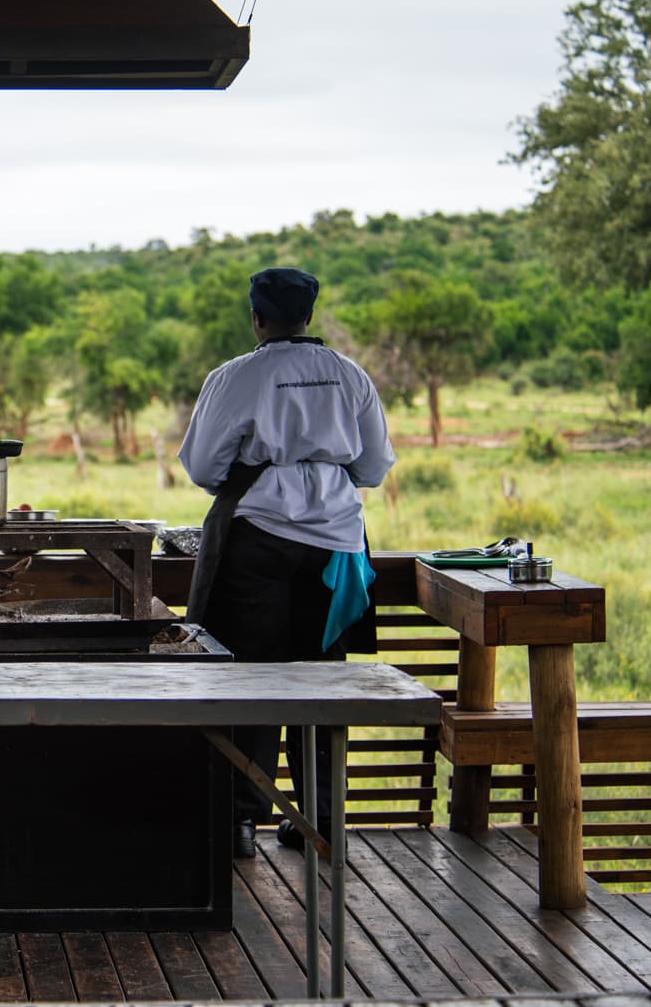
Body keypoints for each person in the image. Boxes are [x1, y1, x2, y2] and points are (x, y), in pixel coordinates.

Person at [177, 267, 395, 859]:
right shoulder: (350, 375)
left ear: (257, 318)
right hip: (336, 543)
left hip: (257, 535)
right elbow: (373, 467)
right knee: (322, 676)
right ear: (308, 316)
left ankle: (242, 820)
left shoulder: (235, 376)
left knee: (250, 676)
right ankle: (320, 820)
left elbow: (202, 466)